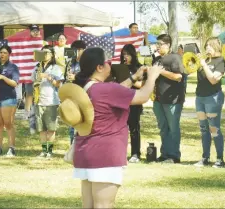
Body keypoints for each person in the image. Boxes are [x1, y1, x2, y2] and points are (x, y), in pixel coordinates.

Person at [59, 47, 163, 208]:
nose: (111, 65)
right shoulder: (107, 89)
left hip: (85, 152)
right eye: (108, 62)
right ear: (99, 67)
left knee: (89, 205)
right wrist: (153, 77)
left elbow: (116, 91)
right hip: (106, 154)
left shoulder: (86, 88)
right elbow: (142, 96)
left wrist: (133, 77)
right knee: (104, 205)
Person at [152, 34, 186, 163]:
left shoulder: (175, 58)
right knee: (163, 128)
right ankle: (164, 154)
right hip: (159, 99)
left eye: (160, 44)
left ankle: (174, 156)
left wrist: (160, 71)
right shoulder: (157, 59)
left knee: (173, 128)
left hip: (173, 100)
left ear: (168, 45)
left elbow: (178, 76)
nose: (158, 47)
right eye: (157, 44)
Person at [192, 37, 225, 168]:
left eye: (209, 46)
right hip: (200, 97)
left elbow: (213, 80)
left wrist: (204, 64)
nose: (207, 49)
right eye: (206, 46)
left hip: (213, 97)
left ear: (217, 47)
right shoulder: (204, 60)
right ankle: (205, 157)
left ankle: (219, 159)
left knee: (214, 128)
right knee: (203, 129)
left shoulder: (221, 61)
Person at [31, 45, 63, 158]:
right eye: (43, 52)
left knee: (51, 128)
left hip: (51, 101)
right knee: (41, 128)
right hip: (38, 100)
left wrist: (49, 77)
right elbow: (32, 82)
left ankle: (49, 151)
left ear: (52, 54)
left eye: (47, 52)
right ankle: (44, 150)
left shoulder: (56, 68)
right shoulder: (36, 67)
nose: (45, 54)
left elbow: (59, 84)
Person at [0, 45, 20, 157]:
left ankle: (11, 148)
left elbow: (15, 83)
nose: (2, 54)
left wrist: (3, 77)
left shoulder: (13, 67)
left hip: (8, 98)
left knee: (8, 124)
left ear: (9, 54)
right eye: (1, 53)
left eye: (5, 53)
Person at [120, 44, 144, 163]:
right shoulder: (120, 67)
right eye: (124, 54)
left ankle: (135, 153)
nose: (126, 57)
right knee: (120, 128)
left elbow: (141, 85)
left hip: (134, 101)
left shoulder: (138, 68)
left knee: (134, 128)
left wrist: (130, 79)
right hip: (121, 101)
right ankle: (120, 152)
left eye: (128, 54)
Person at [67, 40, 86, 144]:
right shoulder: (71, 62)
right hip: (72, 95)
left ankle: (81, 146)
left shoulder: (87, 63)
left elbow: (89, 78)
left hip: (84, 95)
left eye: (79, 50)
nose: (77, 52)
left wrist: (76, 77)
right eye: (74, 50)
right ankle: (72, 146)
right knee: (72, 123)